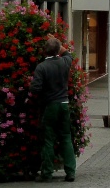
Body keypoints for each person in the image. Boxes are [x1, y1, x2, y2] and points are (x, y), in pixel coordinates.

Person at [30, 35, 76, 183]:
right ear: (58, 51)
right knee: (66, 138)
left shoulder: (41, 67)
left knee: (48, 139)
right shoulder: (65, 62)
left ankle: (47, 172)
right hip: (64, 104)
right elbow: (68, 53)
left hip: (50, 105)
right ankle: (70, 172)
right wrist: (58, 43)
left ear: (45, 51)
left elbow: (35, 89)